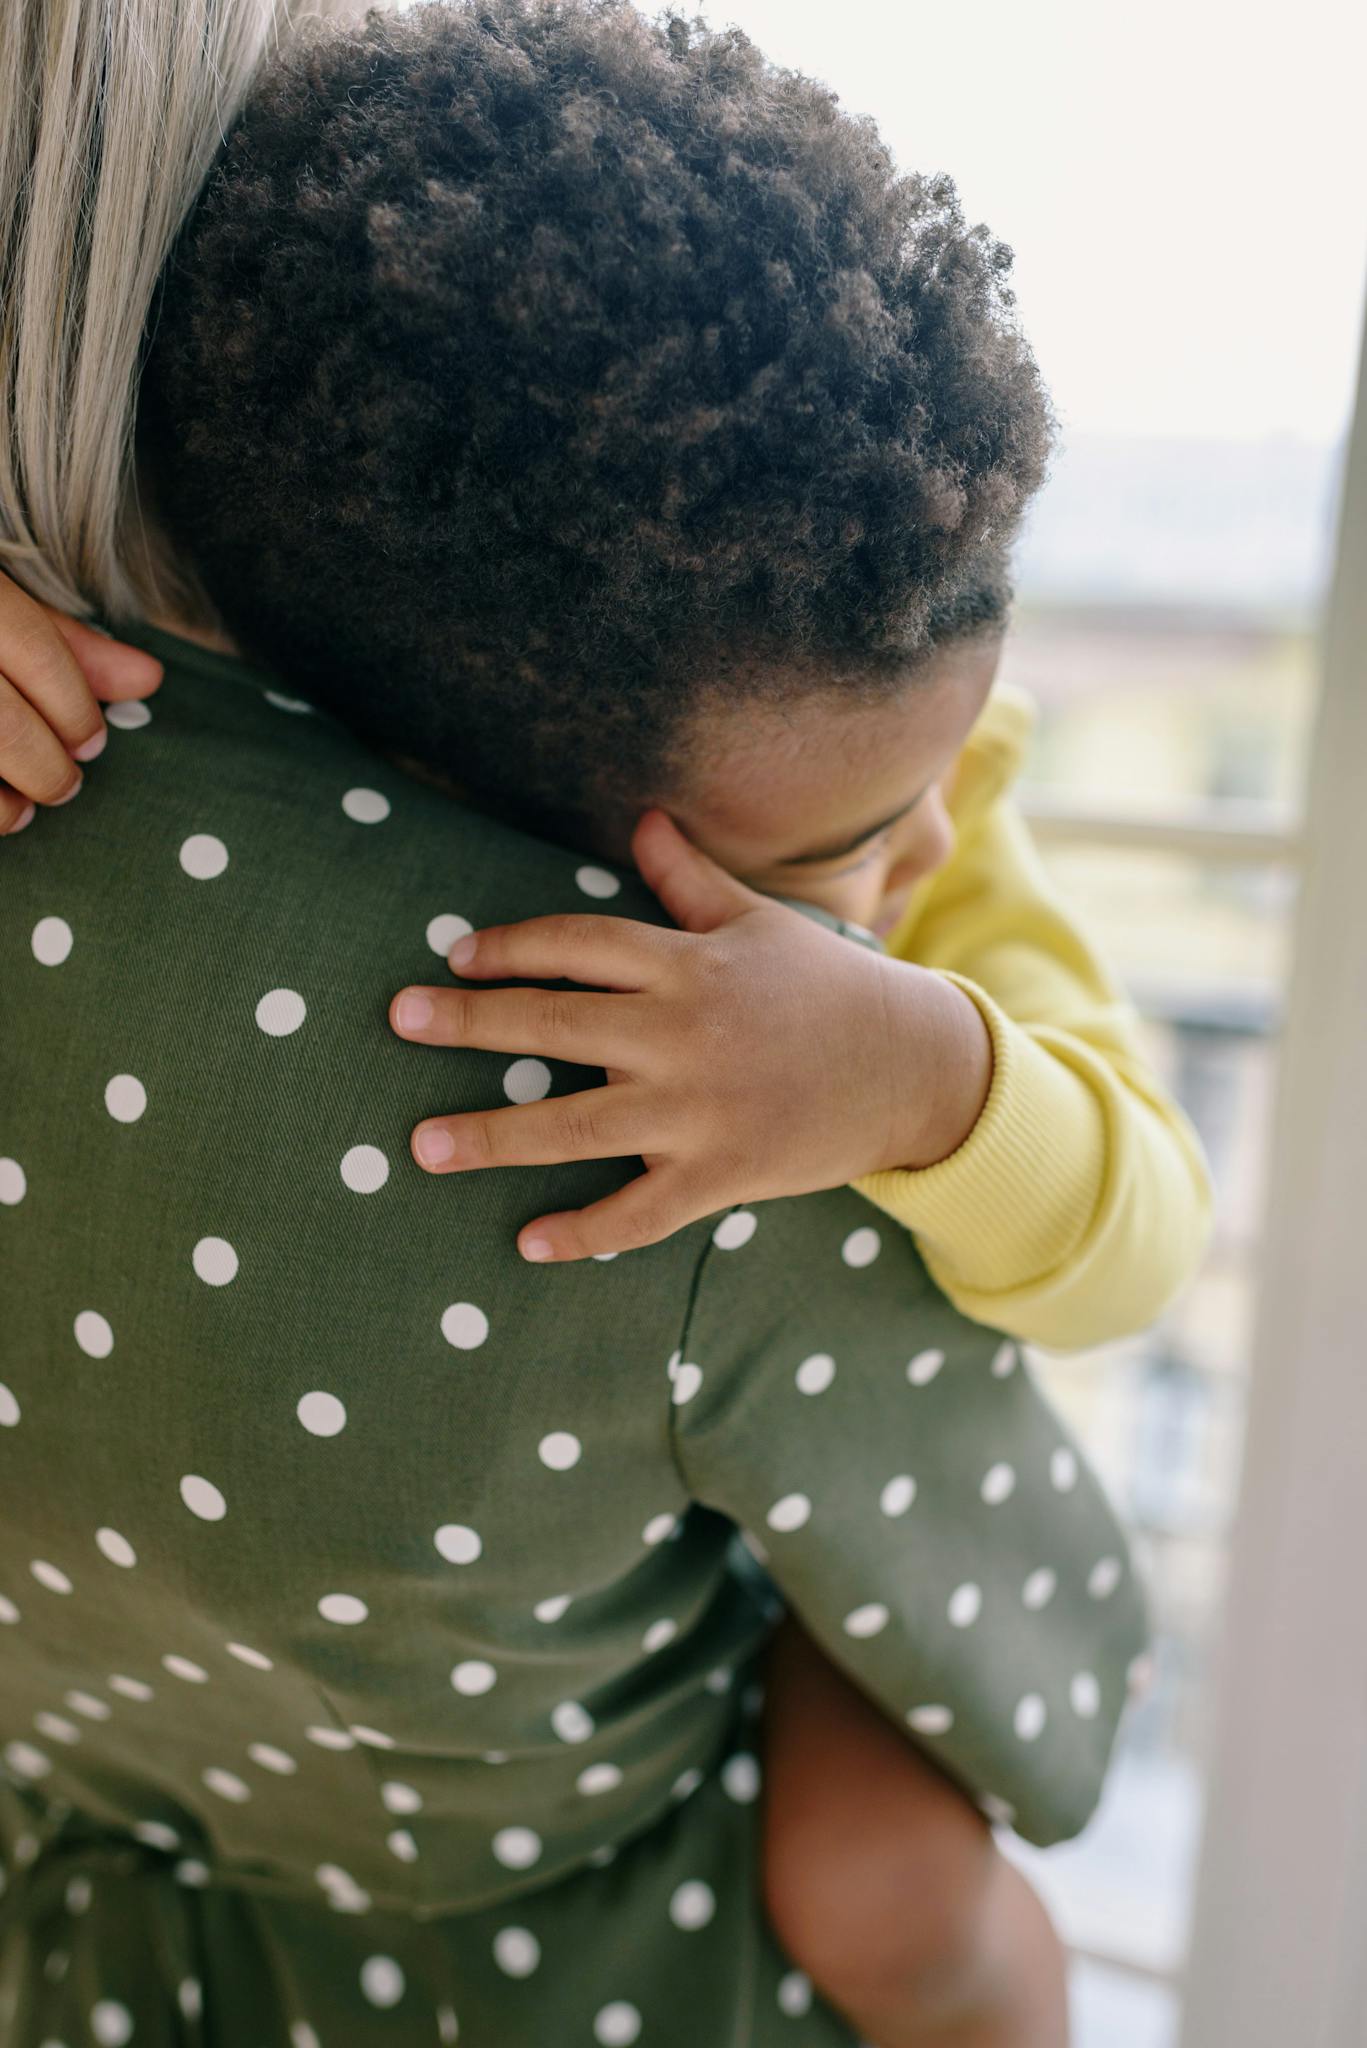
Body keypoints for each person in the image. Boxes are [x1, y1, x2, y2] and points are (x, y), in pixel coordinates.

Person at [0, 2, 1192, 2041]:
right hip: (342, 1722)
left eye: (950, 764)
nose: (930, 851)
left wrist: (920, 1067)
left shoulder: (932, 833)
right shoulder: (478, 876)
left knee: (895, 1876)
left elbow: (1135, 1242)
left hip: (894, 1450)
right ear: (524, 834)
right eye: (843, 846)